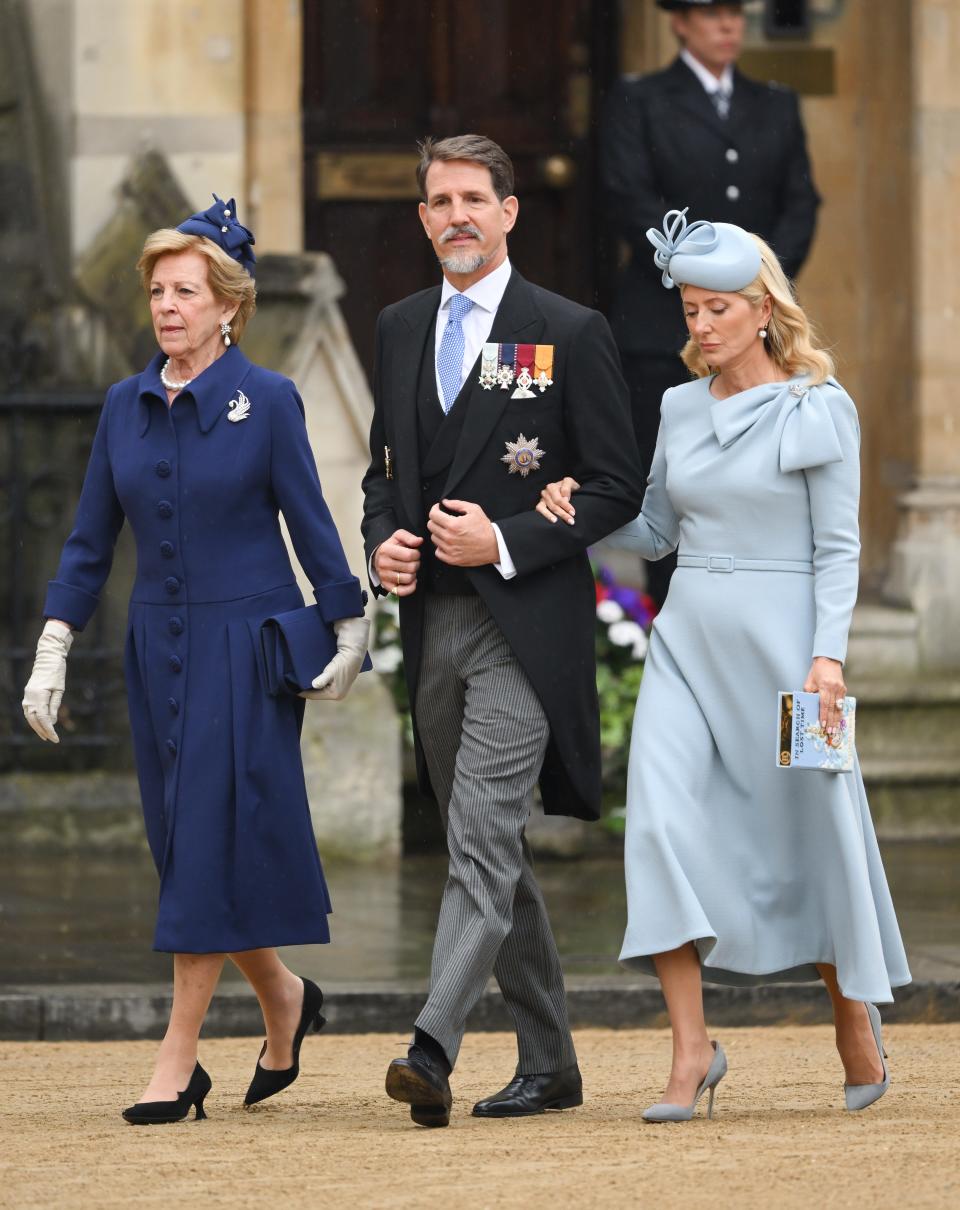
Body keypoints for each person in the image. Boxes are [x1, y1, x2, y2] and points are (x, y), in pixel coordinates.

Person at [536, 209, 910, 1120]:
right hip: (689, 636)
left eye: (715, 309)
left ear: (763, 311)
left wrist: (828, 657)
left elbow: (837, 549)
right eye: (690, 309)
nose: (697, 326)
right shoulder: (675, 406)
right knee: (657, 824)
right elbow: (657, 529)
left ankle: (851, 1018)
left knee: (810, 828)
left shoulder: (819, 406)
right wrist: (578, 510)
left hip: (786, 649)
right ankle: (690, 1048)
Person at [21, 196, 370, 1124]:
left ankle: (178, 1061)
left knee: (206, 842)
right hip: (156, 648)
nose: (167, 306)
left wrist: (350, 627)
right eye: (157, 291)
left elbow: (312, 522)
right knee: (187, 844)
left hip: (244, 646)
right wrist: (53, 646)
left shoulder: (271, 402)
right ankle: (285, 997)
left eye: (186, 291)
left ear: (228, 306)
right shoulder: (122, 406)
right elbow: (90, 541)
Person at [361, 134, 642, 1128]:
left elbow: (615, 484)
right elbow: (384, 475)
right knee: (486, 849)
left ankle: (430, 1045)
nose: (456, 216)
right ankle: (552, 1062)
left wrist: (507, 539)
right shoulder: (397, 327)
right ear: (424, 217)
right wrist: (385, 541)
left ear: (511, 211)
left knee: (480, 838)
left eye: (474, 197)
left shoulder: (567, 328)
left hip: (529, 627)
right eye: (439, 200)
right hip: (433, 629)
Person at [600, 0, 820, 608]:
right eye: (711, 13)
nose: (729, 26)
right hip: (660, 331)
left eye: (735, 14)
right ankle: (675, 632)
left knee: (763, 488)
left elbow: (800, 205)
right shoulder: (640, 99)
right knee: (674, 490)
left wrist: (755, 290)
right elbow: (630, 200)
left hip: (760, 333)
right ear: (679, 22)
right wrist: (711, 289)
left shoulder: (775, 103)